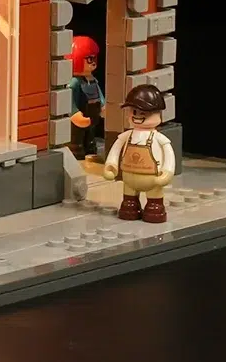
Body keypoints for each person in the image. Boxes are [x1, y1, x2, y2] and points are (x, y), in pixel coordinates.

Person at [103, 84, 176, 223]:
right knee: (129, 203)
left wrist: (167, 172)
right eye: (134, 112)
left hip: (152, 180)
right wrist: (111, 165)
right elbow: (115, 149)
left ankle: (154, 207)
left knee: (154, 205)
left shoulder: (158, 138)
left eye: (143, 113)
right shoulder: (127, 136)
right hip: (129, 178)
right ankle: (131, 206)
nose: (137, 116)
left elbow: (169, 155)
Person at [69, 35, 106, 159]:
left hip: (92, 115)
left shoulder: (92, 79)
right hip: (79, 118)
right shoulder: (74, 82)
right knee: (77, 141)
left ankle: (90, 149)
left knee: (90, 139)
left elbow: (99, 95)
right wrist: (74, 114)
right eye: (89, 59)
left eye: (94, 58)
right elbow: (69, 100)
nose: (93, 62)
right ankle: (77, 153)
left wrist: (103, 106)